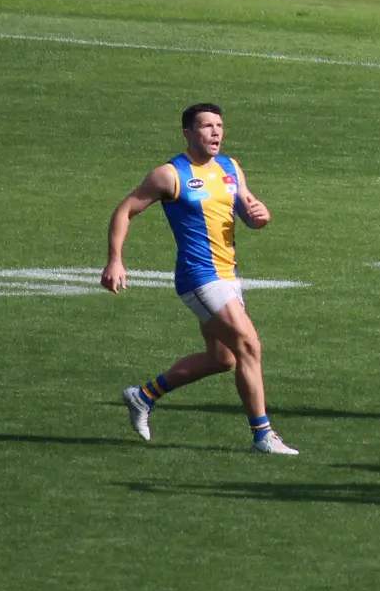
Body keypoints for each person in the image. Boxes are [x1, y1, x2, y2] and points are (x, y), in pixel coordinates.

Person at [103, 103, 297, 455]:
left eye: (219, 126)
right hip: (199, 276)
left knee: (223, 359)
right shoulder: (170, 175)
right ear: (188, 134)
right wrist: (115, 260)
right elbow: (125, 210)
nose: (216, 132)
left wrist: (261, 216)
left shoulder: (230, 167)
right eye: (207, 126)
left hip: (229, 275)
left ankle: (143, 396)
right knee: (250, 345)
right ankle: (263, 436)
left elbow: (249, 211)